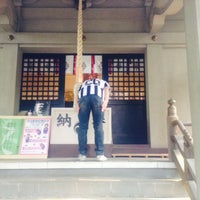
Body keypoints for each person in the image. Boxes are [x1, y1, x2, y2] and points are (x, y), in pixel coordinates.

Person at [76, 74, 110, 161]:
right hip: (97, 97)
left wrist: (77, 104)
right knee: (98, 126)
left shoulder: (84, 83)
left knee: (82, 127)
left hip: (83, 99)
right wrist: (105, 101)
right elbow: (106, 90)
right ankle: (100, 153)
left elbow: (78, 94)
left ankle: (82, 154)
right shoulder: (102, 82)